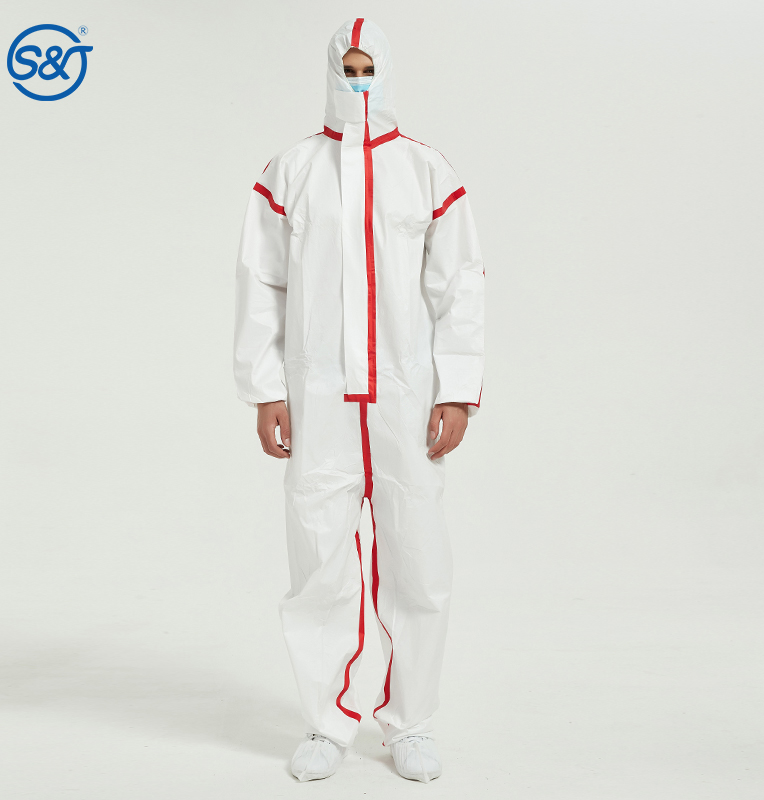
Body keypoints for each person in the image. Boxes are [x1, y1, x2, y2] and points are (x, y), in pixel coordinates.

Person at [233, 18, 484, 783]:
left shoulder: (426, 171)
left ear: (389, 72)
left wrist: (458, 389)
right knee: (318, 562)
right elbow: (261, 283)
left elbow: (460, 285)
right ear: (330, 72)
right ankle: (328, 721)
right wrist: (265, 388)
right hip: (318, 400)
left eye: (370, 68)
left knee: (419, 562)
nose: (359, 81)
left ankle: (411, 722)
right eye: (349, 67)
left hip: (406, 399)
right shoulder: (291, 170)